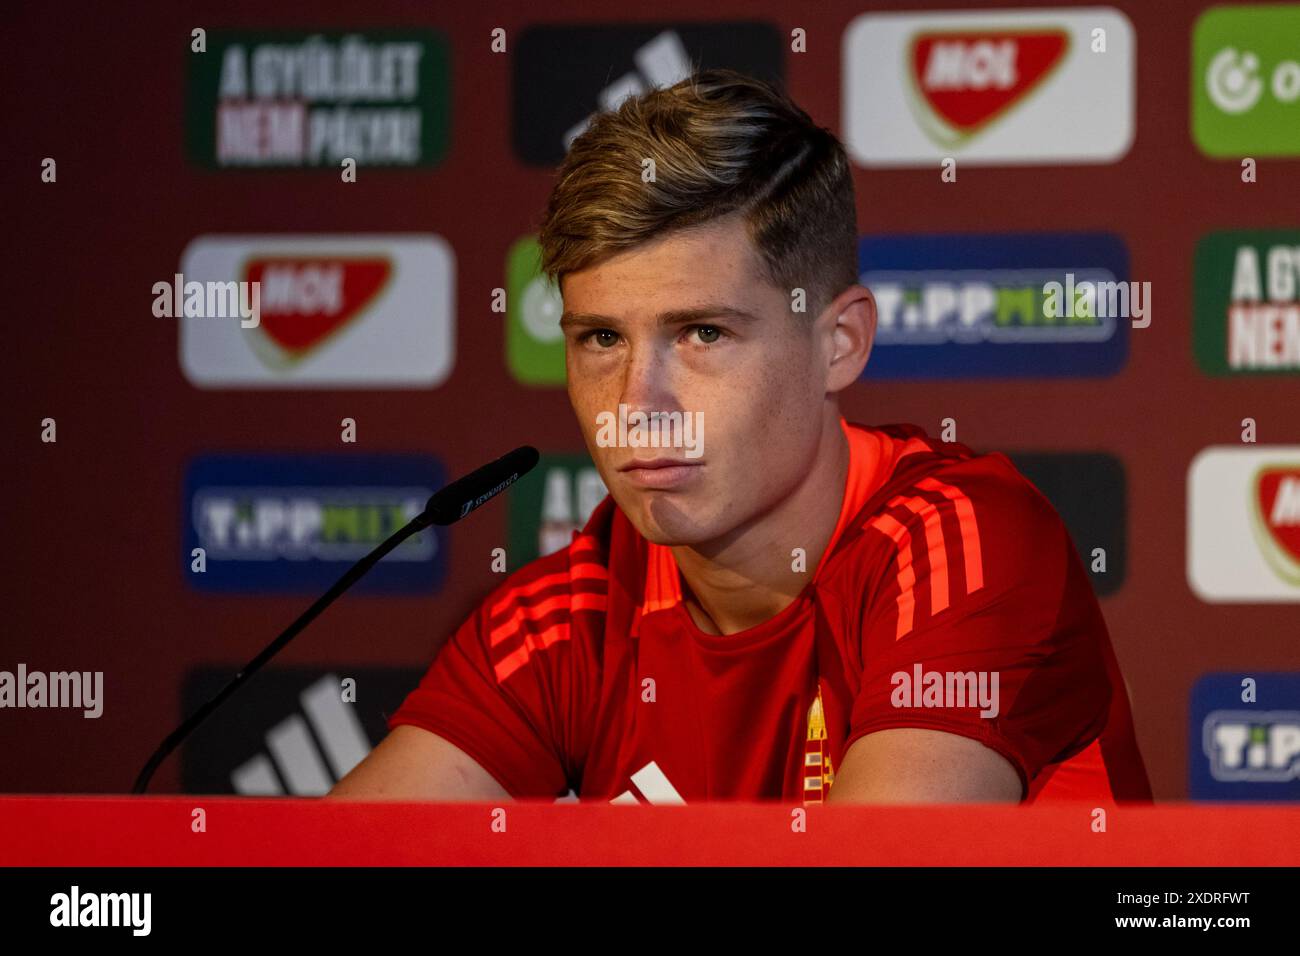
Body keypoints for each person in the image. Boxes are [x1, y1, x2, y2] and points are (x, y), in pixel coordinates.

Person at [328, 68, 1151, 805]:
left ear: (840, 344)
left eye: (702, 335)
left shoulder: (964, 544)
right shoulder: (571, 616)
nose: (636, 404)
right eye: (601, 339)